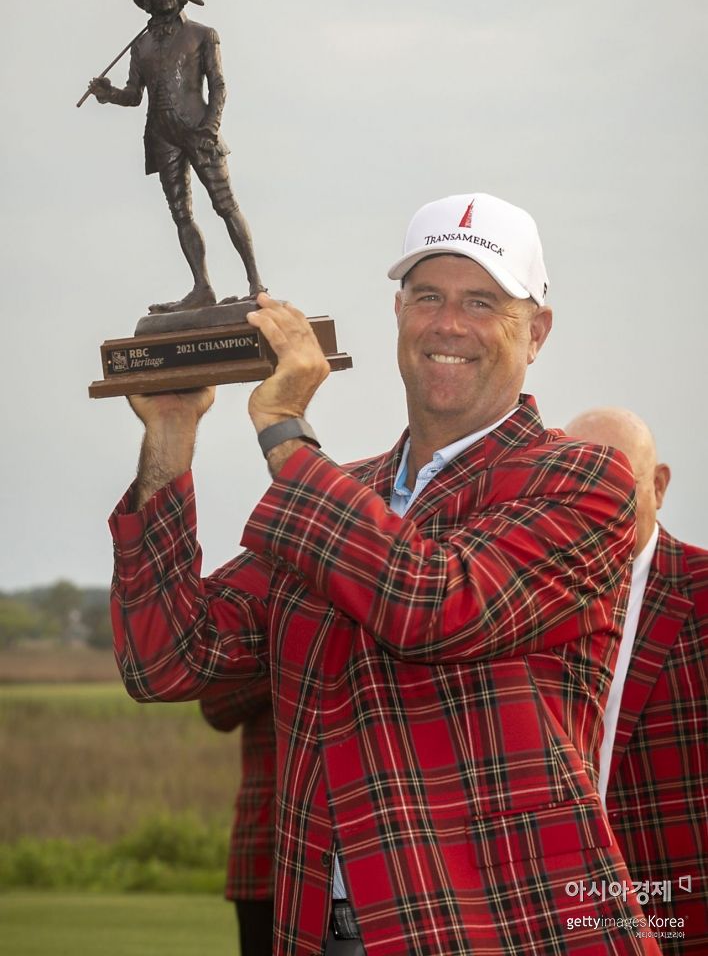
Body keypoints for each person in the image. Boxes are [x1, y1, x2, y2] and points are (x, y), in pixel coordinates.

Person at [110, 192, 661, 955]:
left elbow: (432, 605)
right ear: (399, 313)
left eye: (482, 302)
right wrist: (169, 440)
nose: (449, 323)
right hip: (327, 929)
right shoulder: (342, 499)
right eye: (428, 296)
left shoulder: (584, 480)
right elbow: (167, 657)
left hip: (511, 930)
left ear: (536, 332)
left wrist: (286, 431)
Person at [565, 408, 707, 955]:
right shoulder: (530, 602)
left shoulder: (702, 592)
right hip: (566, 906)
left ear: (659, 486)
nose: (597, 503)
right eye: (578, 486)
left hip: (682, 899)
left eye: (618, 484)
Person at [88, 0, 263, 313]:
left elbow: (218, 85)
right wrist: (108, 95)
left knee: (225, 204)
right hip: (162, 135)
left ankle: (256, 283)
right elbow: (134, 95)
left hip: (199, 130)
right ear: (147, 4)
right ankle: (202, 288)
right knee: (181, 213)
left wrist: (212, 125)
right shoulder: (141, 46)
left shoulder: (203, 34)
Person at [199, 683, 276, 956]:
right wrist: (285, 669)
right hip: (265, 836)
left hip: (345, 836)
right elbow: (215, 708)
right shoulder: (264, 654)